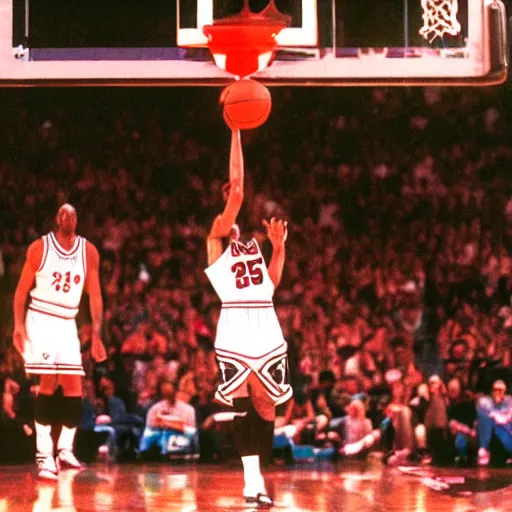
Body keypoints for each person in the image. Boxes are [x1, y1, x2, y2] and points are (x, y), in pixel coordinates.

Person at [205, 129, 292, 507]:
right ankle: (251, 480)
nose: (234, 209)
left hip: (265, 319)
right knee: (242, 402)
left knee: (267, 405)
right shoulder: (216, 238)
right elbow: (238, 190)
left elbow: (272, 282)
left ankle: (258, 475)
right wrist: (236, 129)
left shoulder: (253, 247)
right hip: (237, 323)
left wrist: (278, 249)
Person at [12, 204, 106, 480]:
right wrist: (18, 324)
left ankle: (64, 449)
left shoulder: (89, 251)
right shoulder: (39, 247)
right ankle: (44, 455)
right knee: (49, 383)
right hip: (41, 317)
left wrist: (97, 330)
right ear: (57, 218)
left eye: (74, 215)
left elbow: (96, 295)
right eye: (64, 214)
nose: (69, 219)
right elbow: (20, 292)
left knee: (75, 386)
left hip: (68, 321)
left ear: (78, 219)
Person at [476, 379, 512, 465]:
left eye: (500, 390)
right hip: (491, 432)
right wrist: (496, 416)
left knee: (498, 424)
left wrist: (499, 417)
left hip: (506, 432)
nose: (497, 393)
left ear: (504, 391)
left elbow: (506, 418)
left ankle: (484, 450)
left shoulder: (509, 401)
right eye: (495, 390)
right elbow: (482, 409)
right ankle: (484, 450)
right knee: (487, 419)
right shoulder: (486, 401)